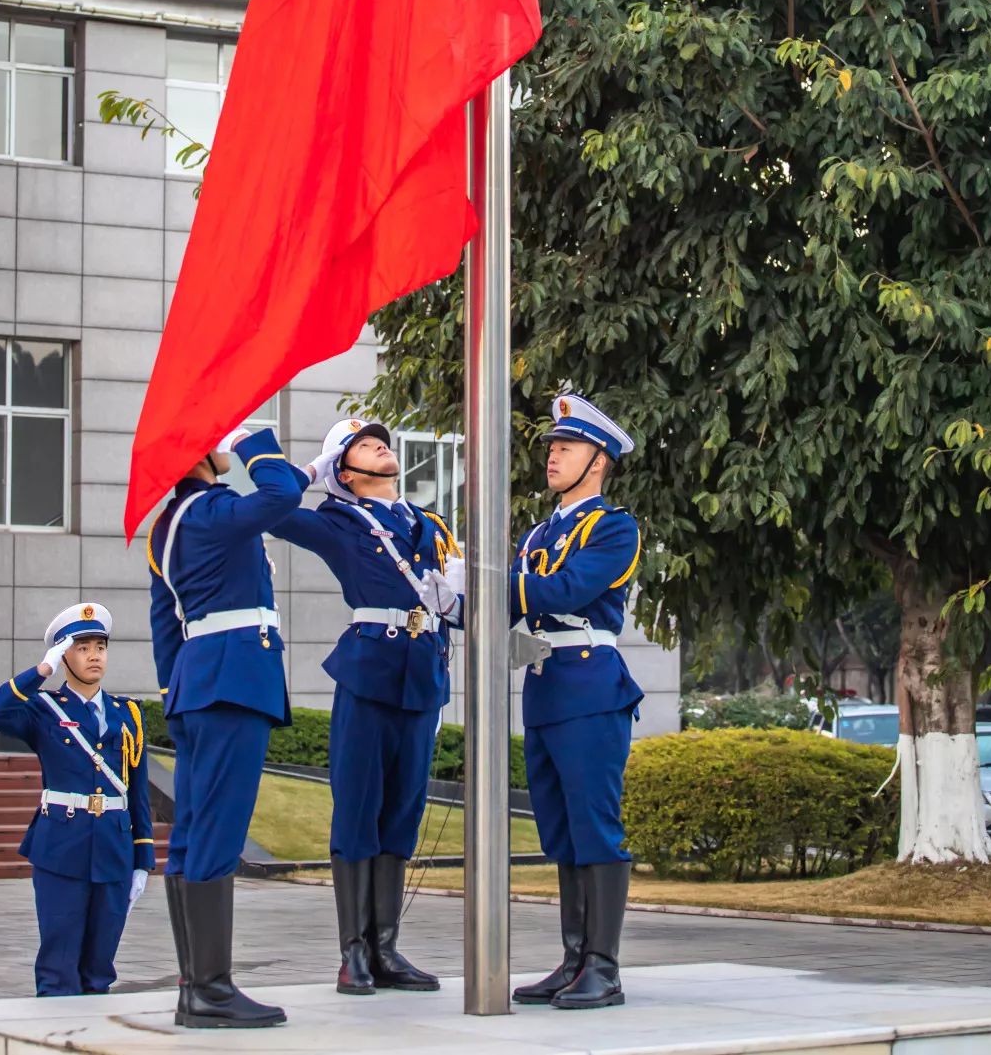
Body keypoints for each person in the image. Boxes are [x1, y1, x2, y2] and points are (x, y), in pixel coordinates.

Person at [263, 417, 463, 997]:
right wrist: (309, 473)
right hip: (370, 670)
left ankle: (386, 949)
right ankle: (352, 951)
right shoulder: (340, 521)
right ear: (346, 472)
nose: (380, 445)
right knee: (358, 809)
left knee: (402, 812)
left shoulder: (430, 525)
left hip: (423, 673)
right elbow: (272, 511)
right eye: (361, 446)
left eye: (381, 441)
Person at [147, 425, 310, 1030]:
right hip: (233, 679)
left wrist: (177, 693)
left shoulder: (173, 524)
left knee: (192, 831)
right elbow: (275, 498)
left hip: (199, 682)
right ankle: (210, 989)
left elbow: (165, 623)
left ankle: (198, 984)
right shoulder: (212, 509)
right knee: (217, 829)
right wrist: (253, 439)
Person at [509, 395, 643, 1011]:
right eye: (551, 446)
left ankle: (605, 967)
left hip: (590, 685)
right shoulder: (540, 532)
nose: (552, 455)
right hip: (545, 685)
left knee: (595, 828)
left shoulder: (613, 527)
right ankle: (573, 959)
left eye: (566, 446)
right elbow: (515, 602)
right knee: (560, 833)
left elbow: (569, 588)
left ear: (599, 460)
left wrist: (496, 585)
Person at [0, 603, 155, 998]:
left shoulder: (127, 713)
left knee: (100, 967)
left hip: (113, 847)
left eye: (100, 646)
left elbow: (137, 788)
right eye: (82, 647)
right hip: (62, 846)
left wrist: (142, 858)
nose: (94, 655)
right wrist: (42, 671)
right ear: (64, 656)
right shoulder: (44, 709)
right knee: (59, 965)